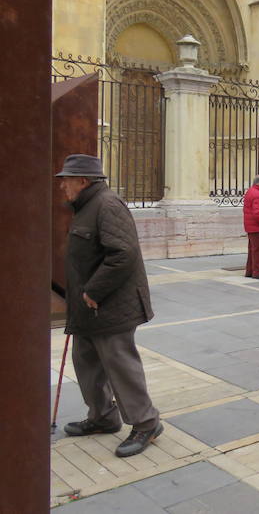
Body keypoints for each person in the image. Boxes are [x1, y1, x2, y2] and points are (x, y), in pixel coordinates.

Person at [55, 154, 162, 458]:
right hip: (88, 306)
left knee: (120, 365)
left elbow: (123, 254)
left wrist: (94, 290)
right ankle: (102, 417)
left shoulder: (107, 205)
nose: (62, 185)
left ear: (83, 181)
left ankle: (146, 423)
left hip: (110, 305)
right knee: (86, 363)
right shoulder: (86, 206)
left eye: (66, 179)